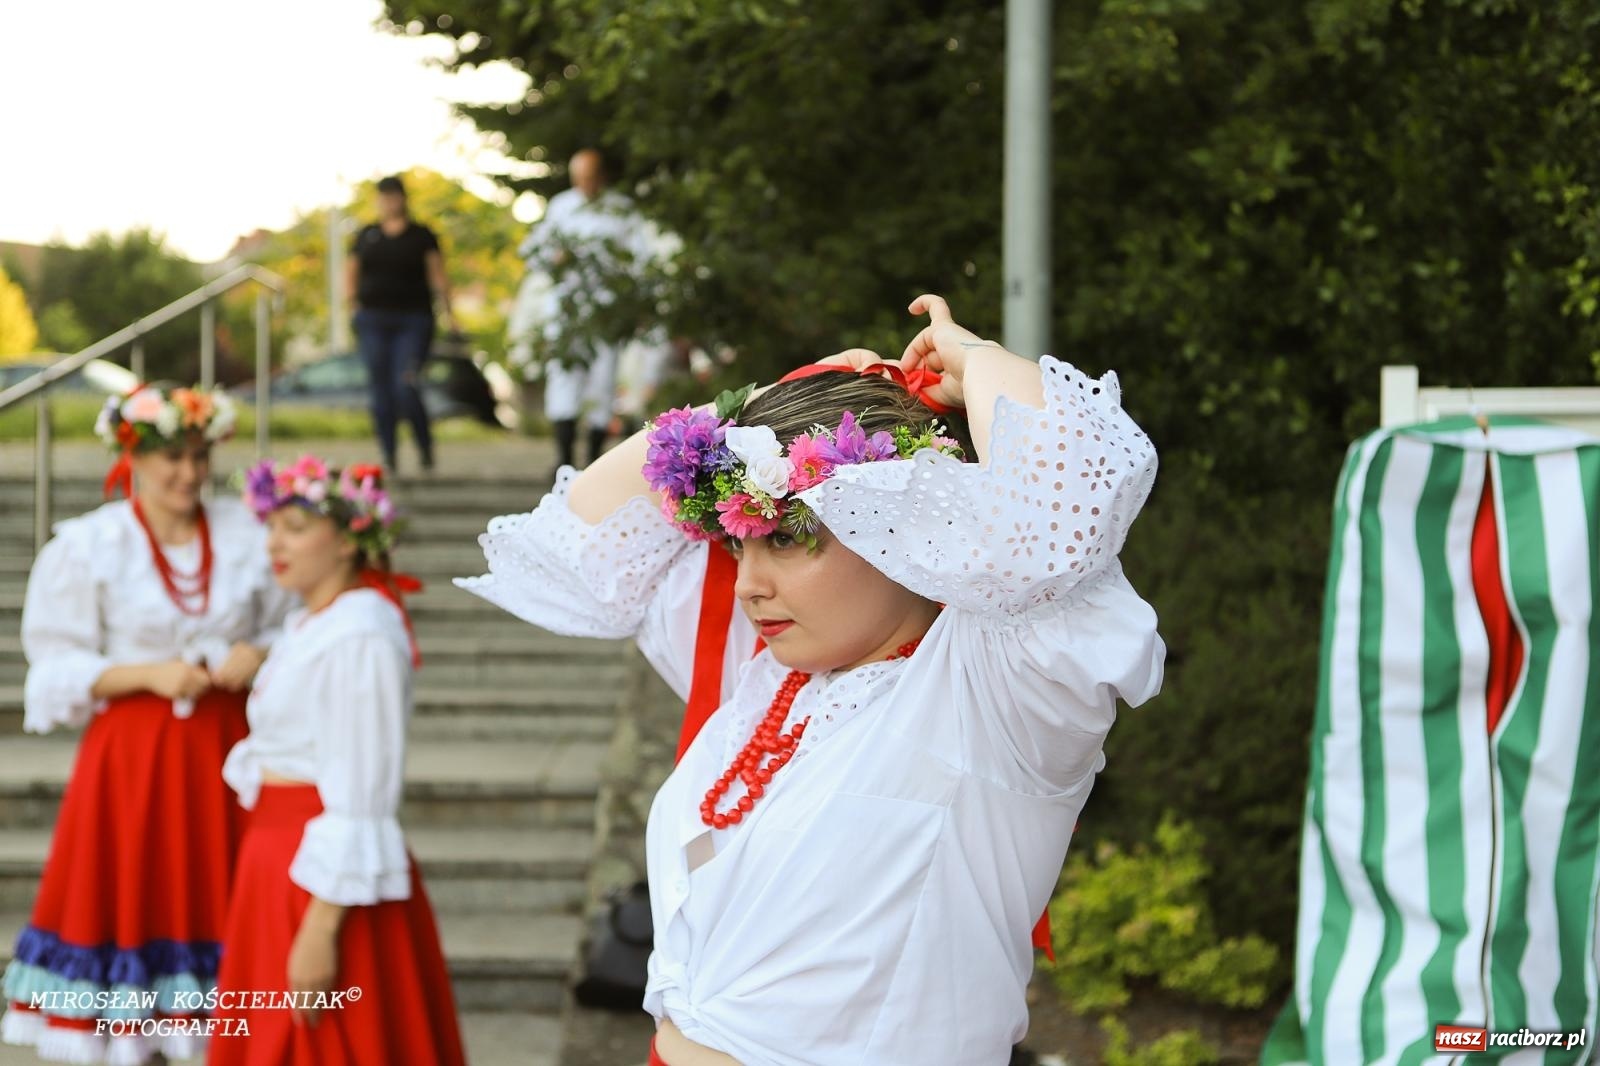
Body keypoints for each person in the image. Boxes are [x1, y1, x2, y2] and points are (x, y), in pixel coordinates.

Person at [458, 295, 1166, 1064]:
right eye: (737, 544)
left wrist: (973, 357)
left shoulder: (997, 693)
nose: (748, 585)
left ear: (898, 522)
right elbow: (573, 549)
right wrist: (746, 419)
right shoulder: (765, 674)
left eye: (791, 538)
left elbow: (1067, 505)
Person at [0, 384, 293, 1065]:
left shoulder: (248, 533)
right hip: (132, 758)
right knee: (136, 891)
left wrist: (262, 651)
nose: (189, 474)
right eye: (171, 459)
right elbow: (52, 664)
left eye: (198, 457)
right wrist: (146, 674)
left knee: (225, 896)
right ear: (131, 457)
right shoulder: (91, 545)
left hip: (230, 750)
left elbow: (300, 618)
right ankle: (145, 1043)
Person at [209, 457, 464, 1066]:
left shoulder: (361, 635)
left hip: (322, 876)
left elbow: (362, 794)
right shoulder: (310, 623)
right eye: (272, 526)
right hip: (280, 860)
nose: (274, 542)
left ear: (349, 539)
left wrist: (321, 930)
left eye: (295, 527)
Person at [517, 148, 652, 472]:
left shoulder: (621, 211)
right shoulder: (562, 207)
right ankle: (563, 459)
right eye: (580, 178)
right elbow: (534, 252)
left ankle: (593, 460)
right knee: (564, 377)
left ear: (602, 176)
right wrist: (554, 259)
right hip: (567, 310)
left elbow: (642, 260)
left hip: (606, 312)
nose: (586, 184)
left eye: (591, 177)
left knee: (603, 380)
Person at [345, 173, 457, 476]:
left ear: (404, 199)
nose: (389, 203)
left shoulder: (422, 235)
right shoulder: (366, 234)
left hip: (413, 320)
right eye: (384, 197)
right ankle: (389, 453)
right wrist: (352, 306)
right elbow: (351, 273)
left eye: (394, 196)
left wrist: (451, 315)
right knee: (381, 390)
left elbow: (438, 276)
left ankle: (423, 444)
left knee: (405, 383)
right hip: (373, 320)